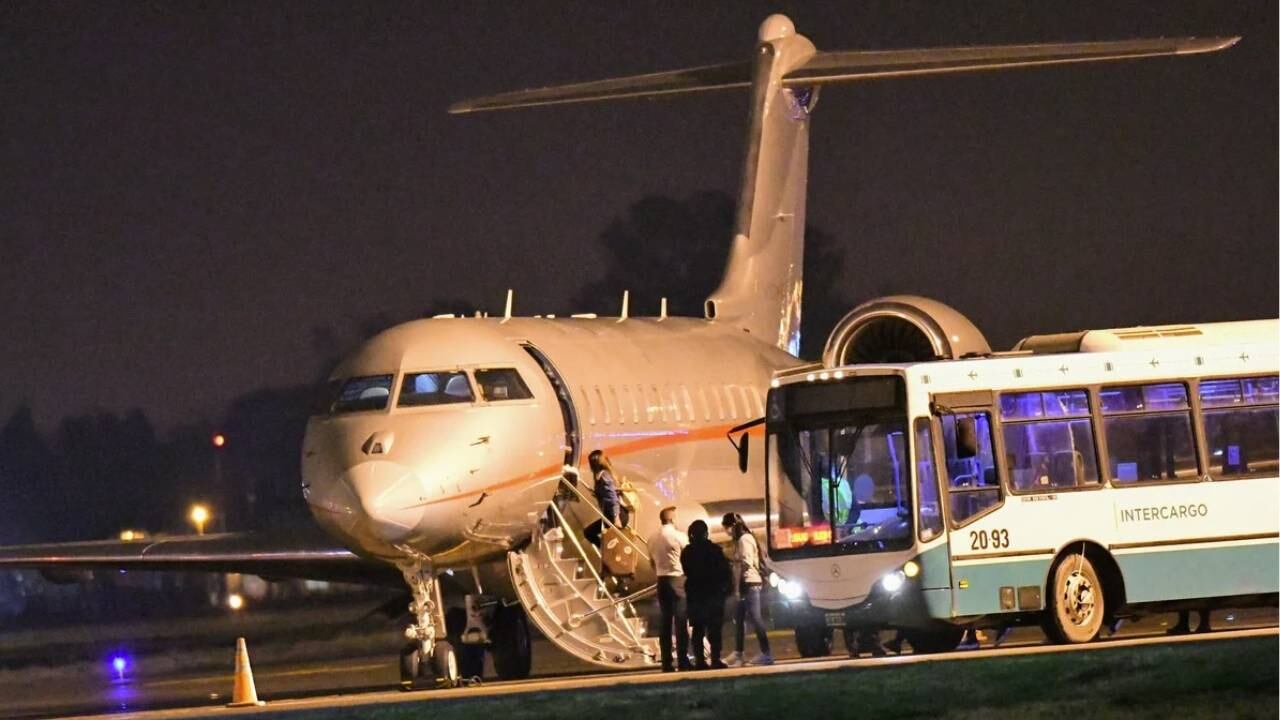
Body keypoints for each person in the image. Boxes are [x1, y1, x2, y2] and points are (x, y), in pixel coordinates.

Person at [721, 512, 773, 666]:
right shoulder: (742, 539)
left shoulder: (744, 540)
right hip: (747, 583)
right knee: (739, 618)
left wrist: (737, 587)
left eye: (726, 528)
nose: (727, 531)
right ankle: (738, 653)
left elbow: (745, 564)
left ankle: (766, 653)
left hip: (749, 583)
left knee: (756, 618)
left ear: (732, 526)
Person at [680, 519, 731, 670]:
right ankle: (715, 659)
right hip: (713, 593)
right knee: (714, 629)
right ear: (705, 533)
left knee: (698, 630)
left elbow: (686, 570)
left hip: (695, 594)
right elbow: (724, 571)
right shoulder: (714, 550)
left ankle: (700, 660)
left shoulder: (688, 552)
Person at [648, 506, 690, 672]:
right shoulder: (679, 536)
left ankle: (666, 662)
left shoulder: (652, 538)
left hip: (661, 580)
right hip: (677, 578)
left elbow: (652, 562)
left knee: (665, 622)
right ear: (672, 519)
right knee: (681, 622)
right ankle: (682, 659)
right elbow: (687, 557)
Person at [583, 450, 628, 548]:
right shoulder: (603, 475)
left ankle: (605, 550)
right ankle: (605, 551)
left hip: (616, 515)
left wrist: (616, 518)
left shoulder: (603, 476)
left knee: (589, 532)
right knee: (611, 545)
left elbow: (612, 497)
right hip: (613, 515)